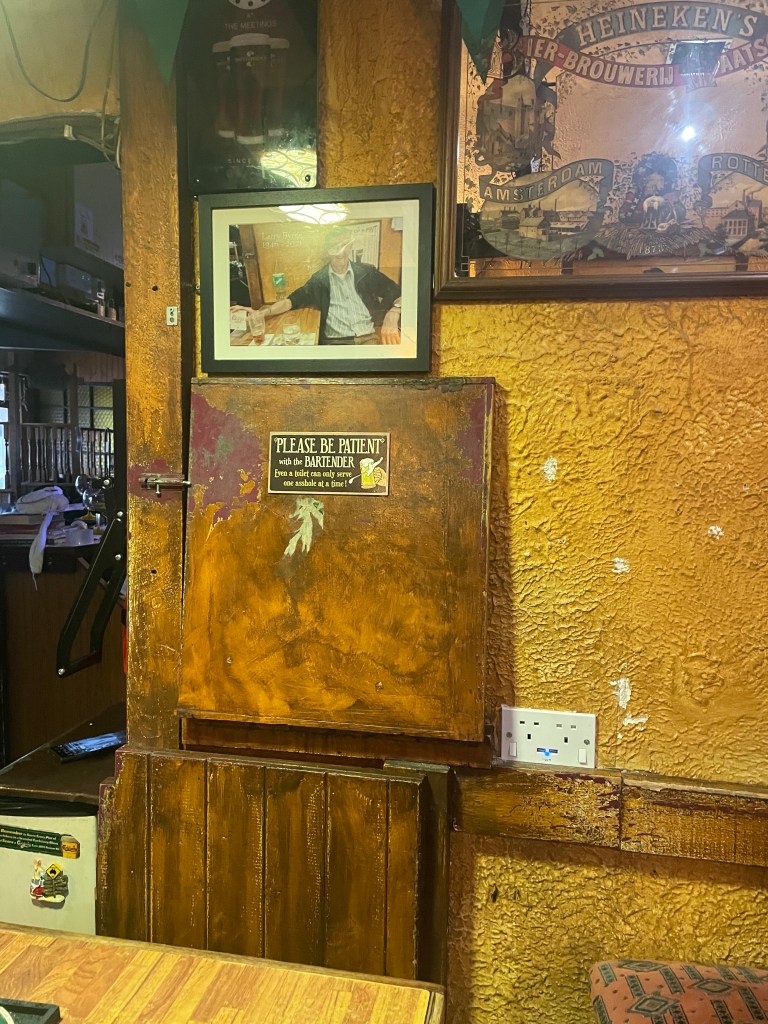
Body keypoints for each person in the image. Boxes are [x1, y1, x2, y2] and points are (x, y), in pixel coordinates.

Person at [260, 226, 402, 345]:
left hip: (368, 338)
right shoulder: (319, 280)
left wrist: (394, 312)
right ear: (328, 251)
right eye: (335, 246)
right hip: (334, 343)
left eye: (344, 245)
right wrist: (262, 313)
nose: (340, 251)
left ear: (350, 247)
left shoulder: (367, 273)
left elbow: (399, 292)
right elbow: (290, 301)